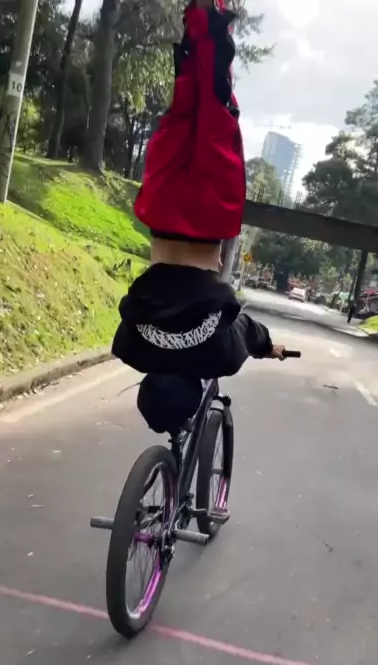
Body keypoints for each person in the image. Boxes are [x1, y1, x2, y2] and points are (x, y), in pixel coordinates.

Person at [111, 0, 285, 433]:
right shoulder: (132, 347)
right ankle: (196, 27)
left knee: (215, 110)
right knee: (183, 106)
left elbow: (245, 330)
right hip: (163, 211)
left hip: (209, 218)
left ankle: (210, 18)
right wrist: (269, 346)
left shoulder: (217, 354)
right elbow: (248, 330)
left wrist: (268, 346)